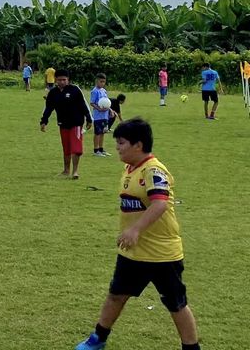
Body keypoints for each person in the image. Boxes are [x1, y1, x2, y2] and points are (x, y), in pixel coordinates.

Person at [74, 118, 200, 350]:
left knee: (176, 304)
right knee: (116, 295)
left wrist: (135, 229)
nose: (117, 147)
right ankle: (97, 339)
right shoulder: (129, 169)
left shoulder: (153, 170)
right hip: (133, 252)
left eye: (121, 143)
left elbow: (160, 203)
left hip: (162, 254)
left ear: (138, 145)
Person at [40, 69, 92, 179]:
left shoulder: (75, 90)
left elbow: (83, 104)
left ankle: (75, 171)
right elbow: (48, 108)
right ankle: (66, 170)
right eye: (59, 80)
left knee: (76, 148)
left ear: (68, 80)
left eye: (64, 80)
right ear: (55, 80)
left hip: (76, 123)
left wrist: (89, 118)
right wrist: (44, 121)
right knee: (66, 148)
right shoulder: (53, 93)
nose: (62, 82)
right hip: (63, 123)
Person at [89, 73, 111, 157]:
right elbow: (92, 103)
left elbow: (107, 102)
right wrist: (99, 109)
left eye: (104, 82)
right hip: (98, 117)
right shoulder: (95, 91)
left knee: (103, 132)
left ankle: (101, 149)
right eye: (101, 81)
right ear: (96, 81)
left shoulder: (104, 91)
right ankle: (96, 150)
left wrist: (111, 110)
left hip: (105, 116)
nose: (102, 83)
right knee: (97, 133)